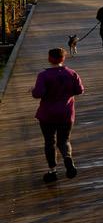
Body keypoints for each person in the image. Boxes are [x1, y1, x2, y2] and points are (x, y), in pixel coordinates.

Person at [31, 47, 85, 182]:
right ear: (63, 58)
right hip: (66, 114)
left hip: (47, 115)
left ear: (49, 59)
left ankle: (52, 171)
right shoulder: (72, 73)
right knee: (64, 140)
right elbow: (79, 90)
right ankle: (67, 158)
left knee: (49, 142)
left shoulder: (43, 75)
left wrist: (33, 90)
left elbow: (38, 94)